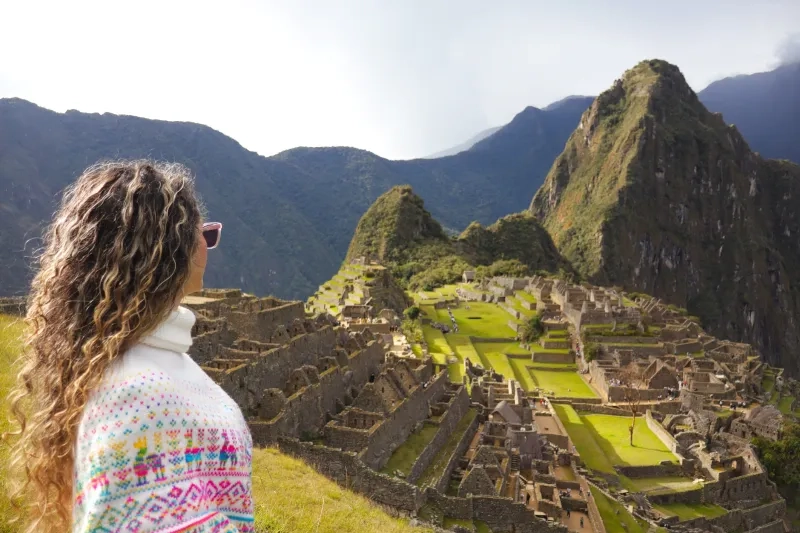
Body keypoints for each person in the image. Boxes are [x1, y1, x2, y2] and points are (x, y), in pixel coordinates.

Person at [6, 161, 253, 532]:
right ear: (165, 246)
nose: (207, 244)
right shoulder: (137, 395)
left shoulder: (145, 362)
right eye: (202, 233)